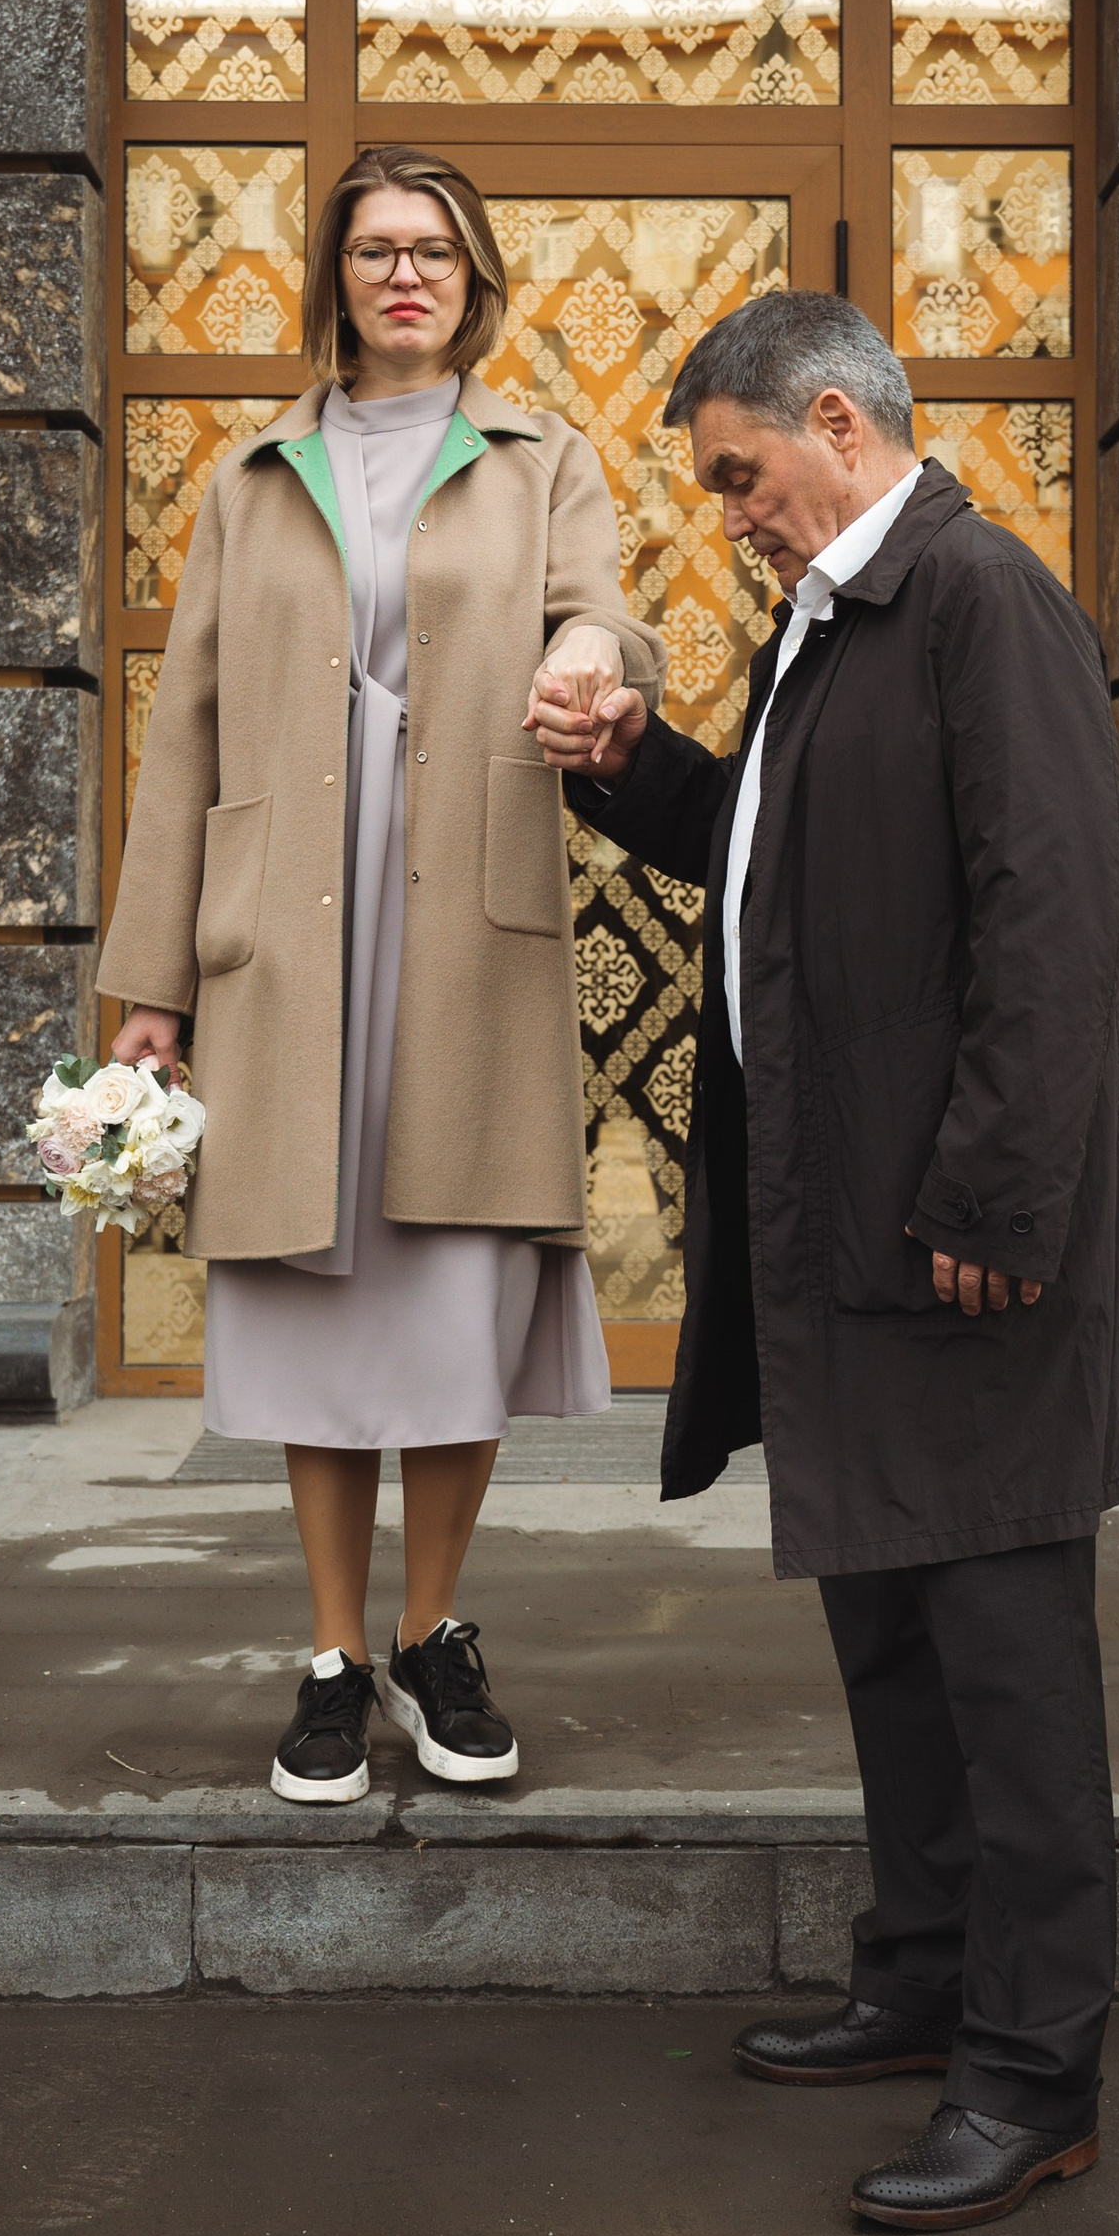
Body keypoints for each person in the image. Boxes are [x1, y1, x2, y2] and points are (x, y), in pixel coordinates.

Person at [529, 292, 1119, 2234]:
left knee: (1008, 1681)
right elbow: (769, 851)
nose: (724, 511)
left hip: (968, 1257)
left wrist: (989, 1201)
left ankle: (1031, 2074)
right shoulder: (835, 624)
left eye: (736, 472)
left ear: (831, 419)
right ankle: (918, 1973)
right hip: (857, 1251)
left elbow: (1048, 922)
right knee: (891, 1644)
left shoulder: (981, 604)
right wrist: (639, 767)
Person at [100, 147, 663, 1807]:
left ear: (473, 277)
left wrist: (589, 658)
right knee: (315, 1292)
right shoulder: (251, 476)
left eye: (431, 252)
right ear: (336, 280)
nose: (403, 276)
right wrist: (154, 985)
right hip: (284, 932)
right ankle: (336, 1655)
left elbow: (612, 627)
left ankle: (437, 1634)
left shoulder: (544, 458)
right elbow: (183, 736)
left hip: (460, 925)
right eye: (373, 253)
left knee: (446, 1289)